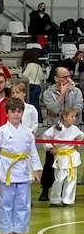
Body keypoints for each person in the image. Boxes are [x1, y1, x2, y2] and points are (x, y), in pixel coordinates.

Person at [0, 98, 42, 234]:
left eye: (19, 111)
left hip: (24, 169)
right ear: (7, 113)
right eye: (13, 111)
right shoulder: (1, 131)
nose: (16, 114)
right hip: (6, 168)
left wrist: (36, 170)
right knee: (5, 202)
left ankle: (19, 230)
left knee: (23, 203)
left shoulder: (27, 132)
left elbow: (33, 152)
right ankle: (7, 231)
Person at [40, 66, 83, 200]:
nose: (67, 79)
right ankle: (45, 189)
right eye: (64, 77)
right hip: (55, 131)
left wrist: (67, 116)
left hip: (71, 131)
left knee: (69, 165)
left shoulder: (76, 91)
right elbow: (53, 109)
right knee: (50, 163)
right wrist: (62, 95)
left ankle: (67, 193)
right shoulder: (48, 93)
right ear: (56, 78)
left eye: (68, 76)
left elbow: (79, 106)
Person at [42, 108, 84, 207]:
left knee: (71, 179)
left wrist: (77, 145)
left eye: (75, 116)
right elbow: (45, 137)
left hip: (71, 155)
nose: (74, 119)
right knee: (59, 179)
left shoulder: (75, 129)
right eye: (72, 116)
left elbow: (81, 137)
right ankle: (55, 199)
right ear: (64, 117)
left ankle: (67, 200)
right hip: (60, 156)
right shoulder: (55, 128)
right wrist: (50, 148)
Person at [20, 54, 44, 123]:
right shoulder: (39, 66)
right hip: (38, 86)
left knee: (31, 105)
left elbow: (25, 75)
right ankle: (40, 119)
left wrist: (19, 75)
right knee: (37, 104)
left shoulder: (30, 65)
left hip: (31, 86)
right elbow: (42, 77)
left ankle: (33, 120)